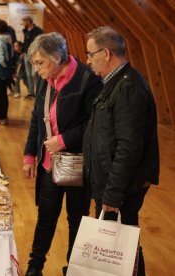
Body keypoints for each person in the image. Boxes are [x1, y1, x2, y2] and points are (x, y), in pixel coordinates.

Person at [22, 32, 102, 276]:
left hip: (77, 163)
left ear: (58, 56)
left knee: (76, 220)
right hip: (49, 163)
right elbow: (37, 118)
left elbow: (94, 122)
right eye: (35, 63)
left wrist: (64, 139)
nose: (37, 70)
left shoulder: (87, 80)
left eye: (41, 62)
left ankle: (74, 269)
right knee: (45, 218)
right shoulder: (46, 79)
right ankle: (35, 268)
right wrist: (29, 156)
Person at [83, 26, 159, 276]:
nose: (87, 59)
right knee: (119, 247)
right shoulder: (114, 82)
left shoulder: (128, 87)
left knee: (120, 247)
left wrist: (113, 193)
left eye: (90, 53)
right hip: (110, 182)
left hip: (120, 186)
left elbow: (129, 147)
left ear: (105, 53)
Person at [21, 16, 44, 99]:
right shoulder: (26, 31)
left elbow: (39, 43)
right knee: (28, 75)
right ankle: (30, 92)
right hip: (26, 55)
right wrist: (23, 52)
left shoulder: (38, 31)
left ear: (28, 22)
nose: (22, 24)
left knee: (35, 74)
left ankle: (38, 93)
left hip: (34, 55)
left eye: (23, 22)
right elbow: (25, 42)